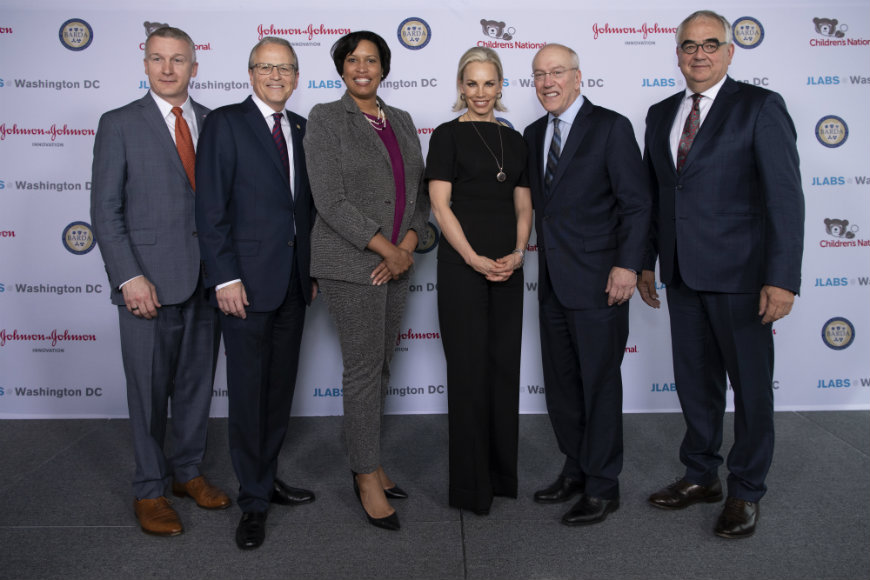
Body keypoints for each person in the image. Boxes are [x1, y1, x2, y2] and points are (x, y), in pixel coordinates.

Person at [638, 10, 804, 539]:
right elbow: (653, 197)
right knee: (695, 383)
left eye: (711, 44)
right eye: (689, 45)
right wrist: (646, 261)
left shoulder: (760, 107)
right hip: (682, 274)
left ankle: (746, 490)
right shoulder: (660, 112)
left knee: (750, 389)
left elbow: (785, 198)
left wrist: (783, 278)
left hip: (742, 277)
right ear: (678, 53)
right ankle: (701, 475)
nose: (699, 54)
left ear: (730, 52)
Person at [90, 26, 230, 537]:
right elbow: (106, 212)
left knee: (195, 387)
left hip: (207, 280)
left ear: (196, 66)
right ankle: (150, 488)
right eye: (158, 59)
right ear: (145, 64)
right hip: (146, 284)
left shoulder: (217, 123)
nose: (168, 69)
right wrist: (129, 277)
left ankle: (186, 472)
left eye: (178, 60)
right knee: (148, 391)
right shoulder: (119, 123)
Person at [195, 36, 317, 550]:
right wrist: (224, 277)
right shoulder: (225, 123)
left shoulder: (304, 129)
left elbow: (305, 210)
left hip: (293, 281)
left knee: (278, 390)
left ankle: (266, 478)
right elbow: (211, 207)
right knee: (248, 394)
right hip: (243, 284)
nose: (276, 76)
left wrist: (310, 269)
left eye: (285, 68)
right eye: (267, 68)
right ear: (250, 73)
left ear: (296, 76)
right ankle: (252, 502)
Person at [303, 30, 428, 532]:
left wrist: (410, 246)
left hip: (398, 262)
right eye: (352, 60)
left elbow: (419, 196)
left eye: (371, 60)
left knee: (380, 369)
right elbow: (329, 199)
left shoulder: (399, 120)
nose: (362, 67)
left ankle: (372, 459)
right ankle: (364, 476)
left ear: (384, 67)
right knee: (361, 372)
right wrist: (387, 249)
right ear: (341, 68)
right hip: (353, 264)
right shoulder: (325, 118)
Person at [523, 44, 651, 526]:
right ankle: (575, 468)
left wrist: (627, 266)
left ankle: (603, 486)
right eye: (538, 75)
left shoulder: (611, 127)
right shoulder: (534, 133)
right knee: (562, 385)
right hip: (553, 282)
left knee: (598, 385)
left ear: (579, 78)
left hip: (602, 281)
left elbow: (636, 204)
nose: (547, 82)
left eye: (556, 72)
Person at [426, 47, 532, 515]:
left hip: (508, 270)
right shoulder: (447, 136)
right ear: (460, 86)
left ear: (502, 86)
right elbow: (440, 206)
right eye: (472, 83)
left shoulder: (519, 141)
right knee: (469, 376)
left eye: (490, 83)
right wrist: (472, 258)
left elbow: (524, 206)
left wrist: (516, 253)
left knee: (504, 372)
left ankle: (502, 477)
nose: (481, 93)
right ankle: (471, 489)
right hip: (461, 270)